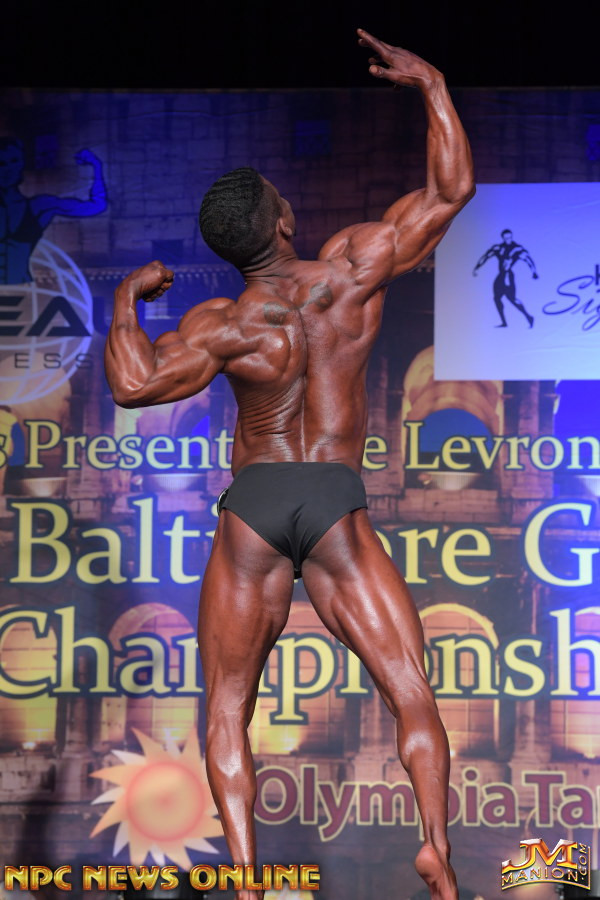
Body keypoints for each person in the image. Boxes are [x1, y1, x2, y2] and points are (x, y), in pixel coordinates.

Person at [105, 28, 475, 900]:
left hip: (256, 504)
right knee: (410, 688)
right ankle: (435, 848)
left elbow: (132, 384)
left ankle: (245, 879)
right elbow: (449, 190)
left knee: (227, 706)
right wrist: (432, 83)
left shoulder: (222, 326)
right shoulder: (350, 272)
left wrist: (125, 299)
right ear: (284, 222)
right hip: (333, 498)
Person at [0, 138, 107, 284]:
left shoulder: (40, 206)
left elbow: (96, 206)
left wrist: (97, 166)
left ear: (21, 163)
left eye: (13, 161)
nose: (8, 169)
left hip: (22, 286)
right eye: (1, 163)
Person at [472, 228, 538, 327]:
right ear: (503, 238)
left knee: (512, 299)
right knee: (497, 298)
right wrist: (477, 267)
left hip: (508, 277)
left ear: (511, 237)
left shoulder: (517, 249)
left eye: (509, 238)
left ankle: (528, 317)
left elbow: (527, 259)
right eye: (506, 238)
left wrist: (534, 272)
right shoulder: (499, 248)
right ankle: (504, 322)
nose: (508, 240)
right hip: (500, 276)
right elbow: (486, 256)